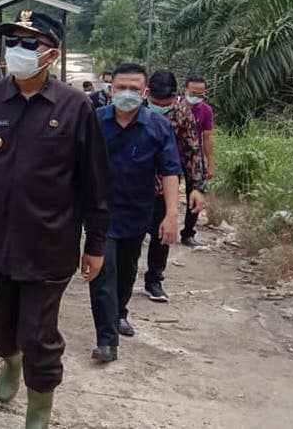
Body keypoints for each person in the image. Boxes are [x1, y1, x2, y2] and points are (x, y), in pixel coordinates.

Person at [0, 10, 110, 429]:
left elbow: (94, 182)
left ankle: (39, 408)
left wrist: (95, 243)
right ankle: (11, 358)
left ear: (51, 54)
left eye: (29, 43)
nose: (16, 51)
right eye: (12, 42)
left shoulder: (75, 107)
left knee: (40, 335)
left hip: (50, 245)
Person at [89, 63, 182, 363]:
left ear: (144, 93)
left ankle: (119, 313)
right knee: (103, 270)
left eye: (133, 89)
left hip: (138, 211)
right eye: (120, 88)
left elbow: (170, 172)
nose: (126, 94)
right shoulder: (95, 122)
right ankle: (107, 340)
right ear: (110, 90)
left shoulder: (158, 127)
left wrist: (171, 214)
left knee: (127, 270)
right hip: (100, 213)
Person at [144, 70, 207, 303]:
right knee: (125, 235)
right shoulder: (132, 109)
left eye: (166, 103)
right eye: (155, 103)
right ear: (147, 93)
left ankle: (154, 280)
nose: (161, 107)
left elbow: (193, 151)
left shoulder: (182, 114)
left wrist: (197, 187)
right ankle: (120, 279)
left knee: (163, 233)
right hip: (129, 185)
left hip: (164, 186)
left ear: (175, 96)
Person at [181, 73, 215, 246]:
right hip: (171, 155)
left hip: (194, 158)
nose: (196, 97)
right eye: (193, 92)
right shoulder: (174, 107)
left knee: (196, 194)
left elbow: (207, 138)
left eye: (200, 94)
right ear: (184, 89)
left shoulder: (206, 110)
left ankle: (188, 233)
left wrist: (210, 164)